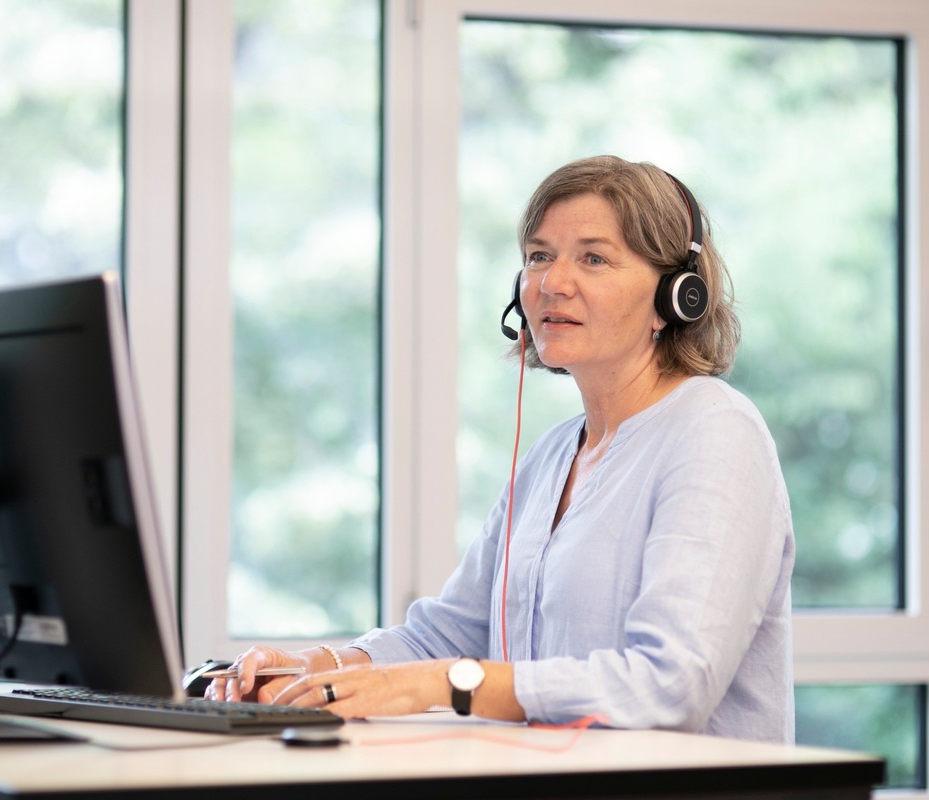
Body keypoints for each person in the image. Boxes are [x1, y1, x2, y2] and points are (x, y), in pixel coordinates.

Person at [208, 155, 795, 743]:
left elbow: (670, 685)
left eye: (593, 258)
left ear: (675, 297)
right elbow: (445, 636)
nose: (552, 282)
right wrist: (319, 669)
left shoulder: (716, 432)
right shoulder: (553, 456)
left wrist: (449, 683)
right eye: (539, 256)